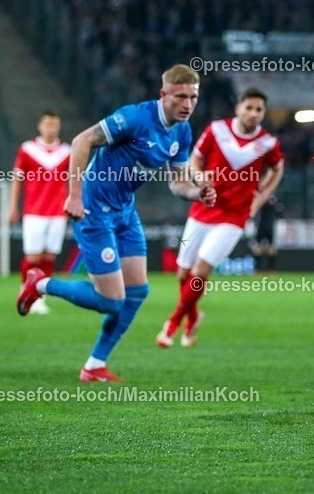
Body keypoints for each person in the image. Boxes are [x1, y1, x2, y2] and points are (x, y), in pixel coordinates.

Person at [16, 65, 216, 381]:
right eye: (180, 97)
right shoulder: (135, 118)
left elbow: (177, 183)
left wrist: (197, 193)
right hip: (94, 211)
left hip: (125, 212)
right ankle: (39, 284)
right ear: (164, 95)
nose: (187, 104)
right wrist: (75, 195)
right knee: (111, 301)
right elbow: (82, 141)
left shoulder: (182, 130)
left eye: (192, 97)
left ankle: (94, 365)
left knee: (137, 292)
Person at [157, 87, 284, 349]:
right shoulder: (217, 130)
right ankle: (194, 316)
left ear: (263, 114)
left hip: (234, 217)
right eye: (248, 107)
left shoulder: (268, 143)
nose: (253, 113)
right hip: (203, 209)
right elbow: (196, 159)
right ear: (238, 108)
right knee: (184, 273)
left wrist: (260, 198)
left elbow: (277, 168)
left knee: (200, 272)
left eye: (258, 109)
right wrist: (199, 177)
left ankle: (173, 323)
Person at [9, 109, 71, 315]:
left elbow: (72, 181)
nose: (50, 128)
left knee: (49, 257)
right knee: (33, 256)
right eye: (47, 124)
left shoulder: (67, 151)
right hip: (34, 211)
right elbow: (17, 179)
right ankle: (24, 290)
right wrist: (12, 206)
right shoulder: (28, 149)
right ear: (40, 126)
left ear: (59, 126)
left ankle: (39, 297)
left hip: (58, 212)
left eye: (54, 124)